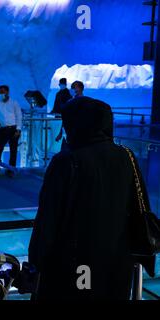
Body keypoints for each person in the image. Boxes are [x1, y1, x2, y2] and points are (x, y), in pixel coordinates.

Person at [29, 96, 155, 300]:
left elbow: (48, 220)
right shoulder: (126, 155)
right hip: (116, 261)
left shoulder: (66, 160)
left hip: (77, 263)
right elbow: (138, 203)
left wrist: (35, 263)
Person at [0, 85, 23, 177]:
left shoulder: (14, 103)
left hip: (13, 129)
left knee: (13, 150)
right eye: (0, 92)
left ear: (7, 92)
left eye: (3, 92)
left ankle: (11, 170)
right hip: (2, 130)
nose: (1, 94)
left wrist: (18, 129)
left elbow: (19, 116)